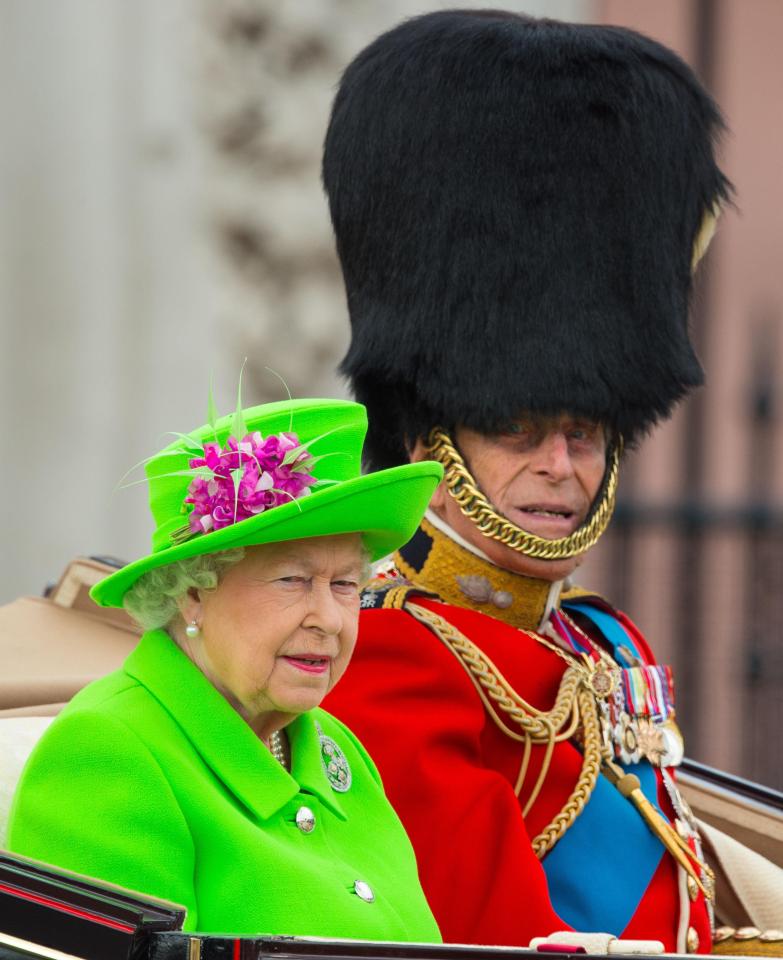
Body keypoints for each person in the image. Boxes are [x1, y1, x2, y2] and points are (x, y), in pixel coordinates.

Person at [321, 10, 734, 955]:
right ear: (432, 436)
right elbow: (493, 935)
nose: (559, 465)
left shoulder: (597, 638)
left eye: (583, 433)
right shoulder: (392, 652)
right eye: (514, 428)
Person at [8, 396, 443, 940]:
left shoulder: (337, 747)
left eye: (345, 585)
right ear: (194, 593)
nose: (330, 619)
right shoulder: (109, 750)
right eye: (292, 580)